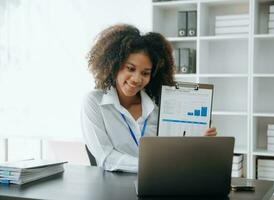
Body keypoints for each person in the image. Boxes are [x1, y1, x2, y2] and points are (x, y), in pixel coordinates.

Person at [81, 24, 217, 173]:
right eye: (130, 69)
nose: (136, 79)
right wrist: (151, 167)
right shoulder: (94, 102)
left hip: (158, 183)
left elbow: (171, 153)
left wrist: (198, 141)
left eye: (145, 73)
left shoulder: (158, 105)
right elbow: (105, 158)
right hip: (114, 187)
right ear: (114, 65)